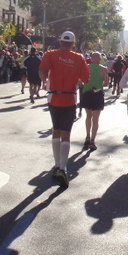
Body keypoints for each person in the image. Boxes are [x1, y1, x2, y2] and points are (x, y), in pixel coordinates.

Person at [38, 32, 90, 188]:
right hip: (69, 98)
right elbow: (85, 79)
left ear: (60, 42)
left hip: (54, 97)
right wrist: (76, 81)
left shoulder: (50, 54)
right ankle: (63, 167)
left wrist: (45, 80)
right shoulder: (78, 58)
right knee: (66, 133)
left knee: (56, 131)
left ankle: (56, 164)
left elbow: (42, 70)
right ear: (73, 44)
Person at [79, 52, 109, 152]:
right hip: (98, 94)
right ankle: (92, 140)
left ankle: (87, 136)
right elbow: (106, 83)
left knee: (88, 116)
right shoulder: (103, 69)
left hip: (87, 93)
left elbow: (80, 81)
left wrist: (86, 83)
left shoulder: (85, 67)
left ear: (91, 59)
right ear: (100, 59)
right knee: (96, 119)